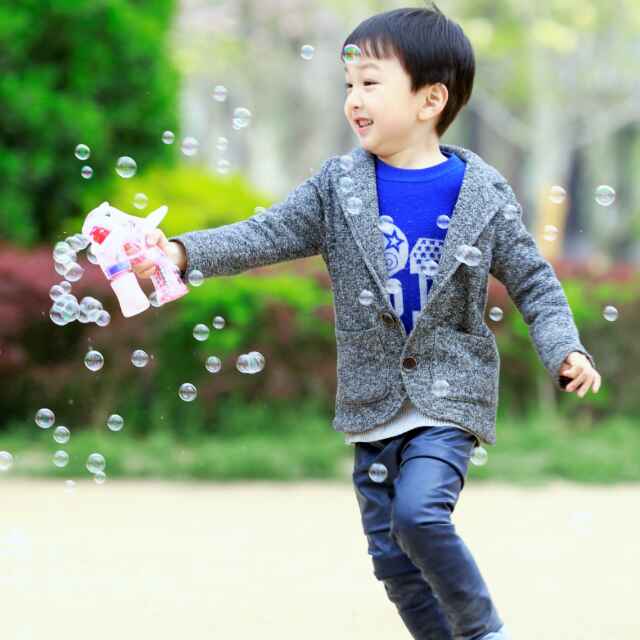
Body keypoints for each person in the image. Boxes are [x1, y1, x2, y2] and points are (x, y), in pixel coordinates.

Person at [134, 4, 601, 638]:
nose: (353, 98)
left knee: (419, 517)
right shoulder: (338, 187)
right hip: (371, 402)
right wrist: (181, 252)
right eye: (348, 84)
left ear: (430, 99)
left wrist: (565, 349)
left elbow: (534, 282)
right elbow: (264, 233)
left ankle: (483, 631)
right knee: (393, 563)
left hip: (450, 396)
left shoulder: (482, 193)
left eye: (371, 83)